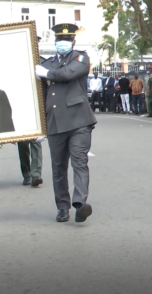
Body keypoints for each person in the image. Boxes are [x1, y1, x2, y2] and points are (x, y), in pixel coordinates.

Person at [35, 23, 97, 223]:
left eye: (67, 40)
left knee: (80, 162)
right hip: (55, 123)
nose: (64, 43)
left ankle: (80, 204)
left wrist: (47, 74)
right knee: (58, 167)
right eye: (60, 40)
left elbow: (68, 74)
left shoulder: (80, 58)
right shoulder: (47, 63)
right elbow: (40, 95)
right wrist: (40, 125)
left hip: (79, 121)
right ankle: (62, 207)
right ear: (54, 42)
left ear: (73, 41)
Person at [17, 36, 45, 187]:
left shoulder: (42, 63)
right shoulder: (16, 62)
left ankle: (35, 174)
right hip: (21, 109)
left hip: (37, 109)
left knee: (36, 142)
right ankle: (26, 173)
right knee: (22, 145)